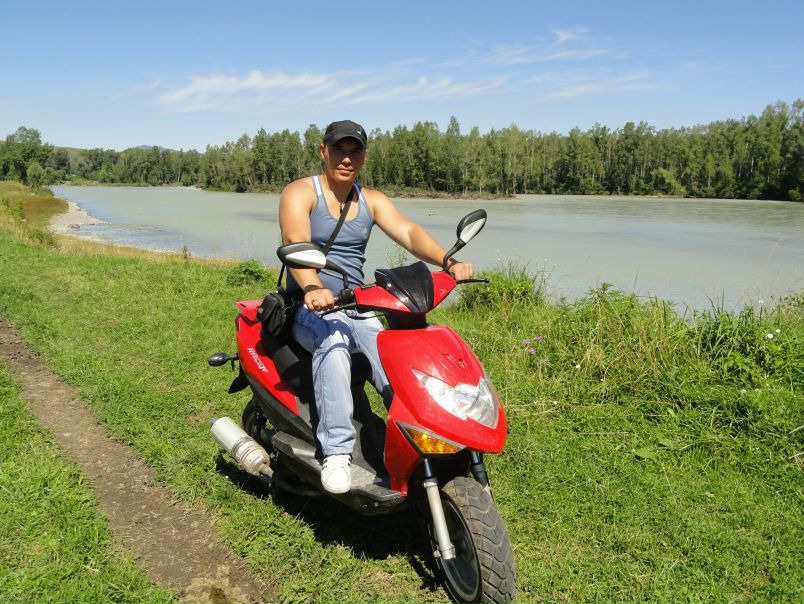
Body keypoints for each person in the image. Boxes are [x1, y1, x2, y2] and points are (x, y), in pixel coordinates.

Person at [278, 120, 473, 494]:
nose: (346, 159)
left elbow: (409, 232)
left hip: (357, 304)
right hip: (309, 307)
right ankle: (337, 451)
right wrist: (313, 287)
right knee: (334, 342)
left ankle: (424, 435)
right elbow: (295, 241)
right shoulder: (301, 193)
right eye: (339, 150)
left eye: (354, 152)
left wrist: (447, 262)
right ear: (323, 151)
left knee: (395, 354)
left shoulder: (372, 200)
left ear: (364, 157)